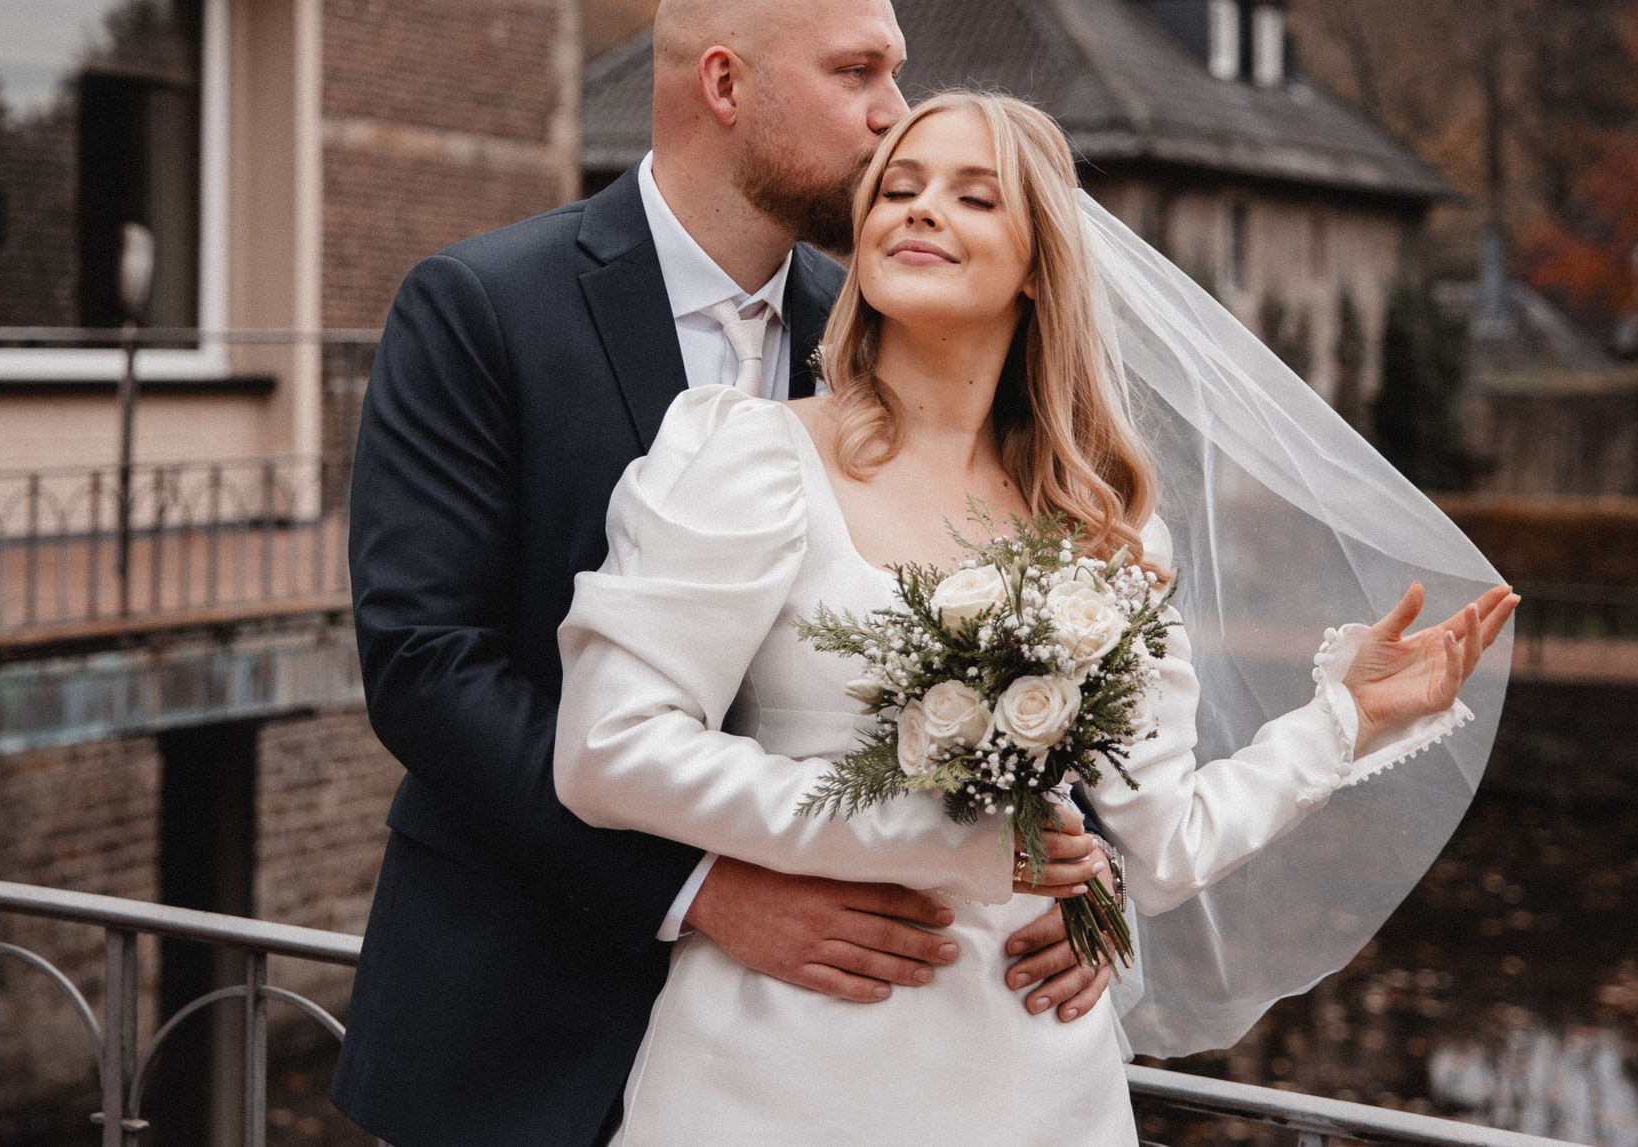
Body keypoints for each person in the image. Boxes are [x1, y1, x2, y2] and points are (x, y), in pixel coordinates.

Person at [553, 91, 1519, 1144]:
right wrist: (940, 840)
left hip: (1032, 1071)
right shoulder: (750, 458)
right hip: (791, 1050)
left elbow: (1159, 848)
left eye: (973, 196)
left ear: (1036, 265)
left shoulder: (1108, 531)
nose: (919, 212)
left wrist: (1346, 720)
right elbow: (610, 746)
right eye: (900, 189)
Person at [332, 0, 1105, 1147]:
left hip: (820, 1057)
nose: (892, 117)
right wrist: (698, 890)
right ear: (726, 85)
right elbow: (428, 667)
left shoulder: (879, 329)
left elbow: (990, 594)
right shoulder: (481, 307)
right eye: (858, 73)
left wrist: (1067, 855)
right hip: (516, 1019)